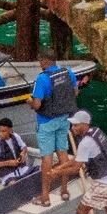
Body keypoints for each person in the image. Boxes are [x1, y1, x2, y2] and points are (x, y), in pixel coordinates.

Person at [28, 51, 80, 205]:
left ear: (44, 61)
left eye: (40, 60)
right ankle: (64, 191)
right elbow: (75, 92)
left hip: (46, 122)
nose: (39, 63)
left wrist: (29, 102)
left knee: (47, 158)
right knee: (63, 153)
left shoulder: (42, 78)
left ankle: (45, 197)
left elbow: (37, 104)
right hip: (63, 118)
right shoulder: (68, 72)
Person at [69, 110, 107, 214]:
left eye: (75, 125)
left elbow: (75, 169)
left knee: (81, 211)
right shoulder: (97, 132)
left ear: (84, 124)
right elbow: (79, 158)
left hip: (104, 185)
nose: (72, 128)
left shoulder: (85, 143)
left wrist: (55, 173)